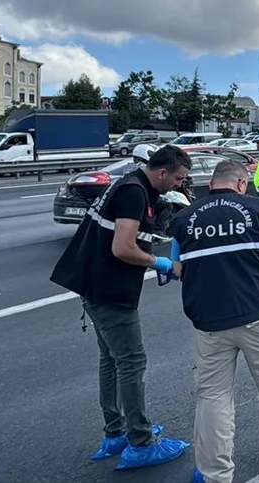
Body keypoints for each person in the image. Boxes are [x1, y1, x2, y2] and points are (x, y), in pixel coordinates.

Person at [49, 145, 193, 470]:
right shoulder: (134, 193)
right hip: (109, 292)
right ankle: (140, 441)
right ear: (161, 173)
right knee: (131, 362)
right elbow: (122, 248)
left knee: (111, 361)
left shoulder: (128, 183)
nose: (179, 185)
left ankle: (115, 431)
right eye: (178, 179)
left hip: (95, 285)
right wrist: (161, 263)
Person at [168, 160, 259, 483]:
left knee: (213, 395)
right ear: (241, 183)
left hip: (209, 320)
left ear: (212, 184)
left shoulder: (184, 219)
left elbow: (178, 268)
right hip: (258, 313)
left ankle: (215, 473)